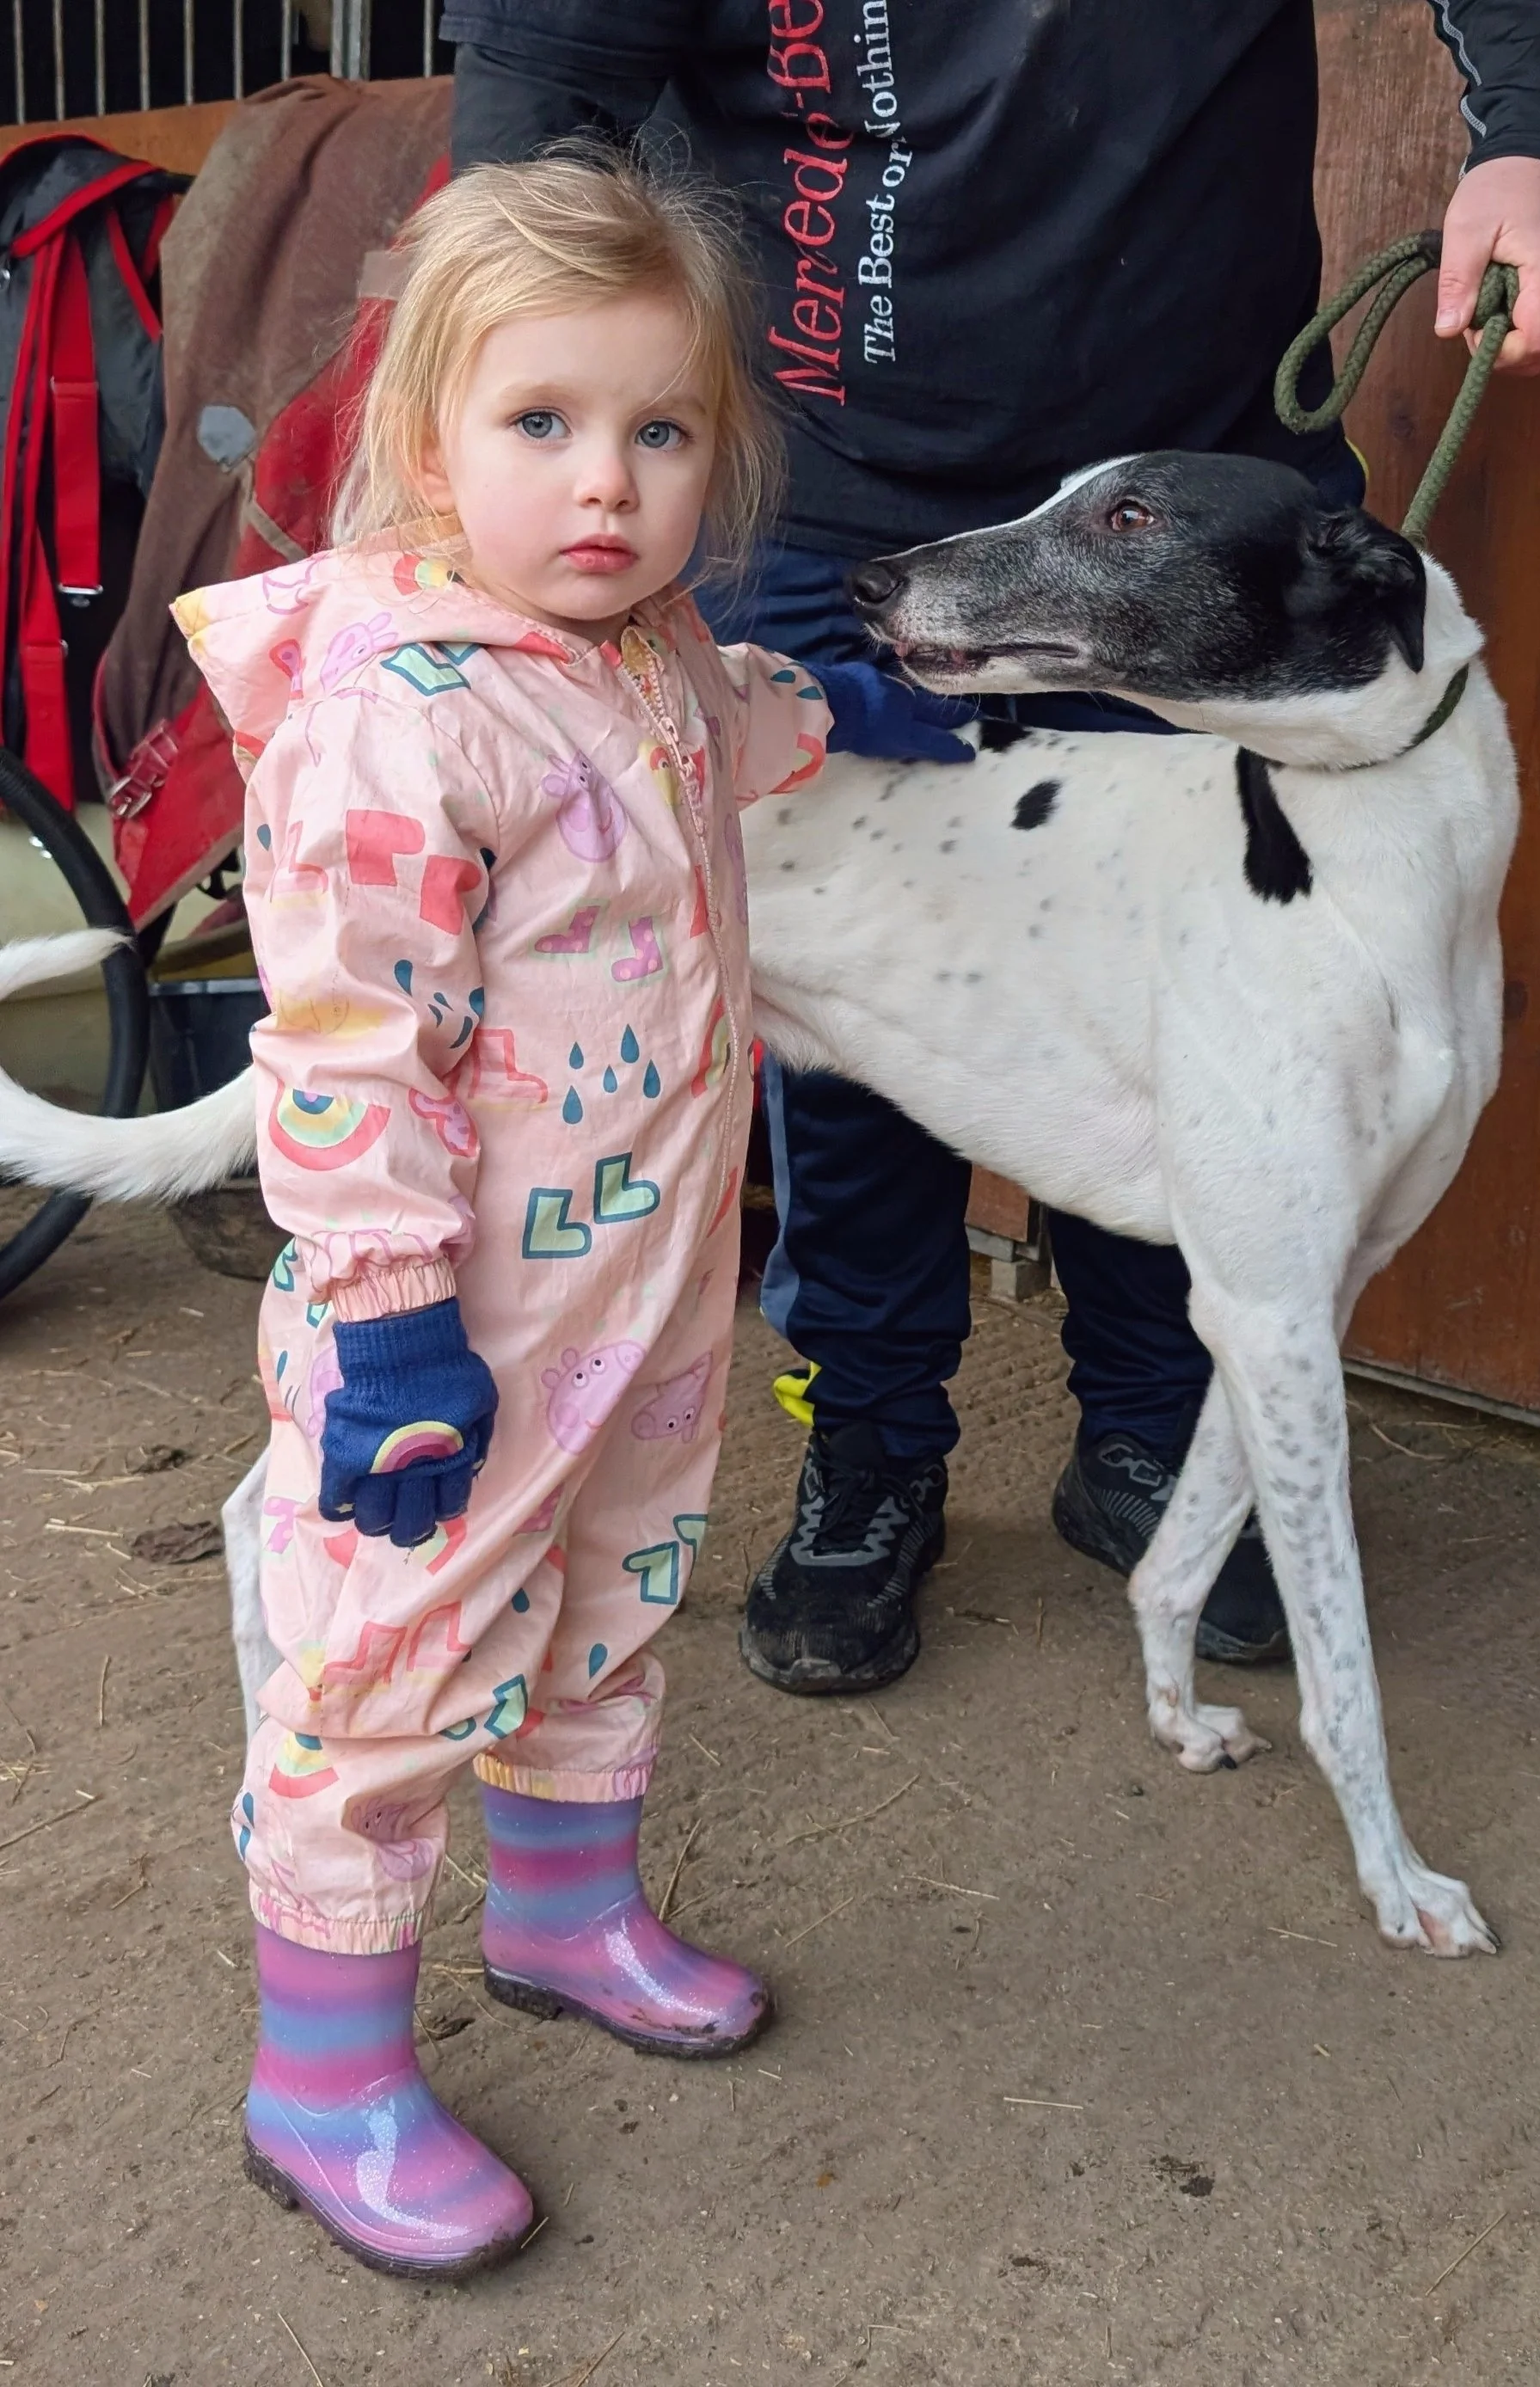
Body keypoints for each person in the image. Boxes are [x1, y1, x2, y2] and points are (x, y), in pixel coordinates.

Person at [445, 1, 1540, 1695]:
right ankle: (870, 1445)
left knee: (1219, 982)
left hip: (1183, 488)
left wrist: (1531, 136)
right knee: (844, 993)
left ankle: (1145, 1433)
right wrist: (509, 403)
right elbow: (542, 92)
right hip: (820, 465)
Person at [179, 155, 861, 2278]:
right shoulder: (399, 716)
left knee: (614, 1588)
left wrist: (849, 713)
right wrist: (384, 1315)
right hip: (447, 1329)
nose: (608, 485)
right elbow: (351, 1046)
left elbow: (718, 732)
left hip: (644, 1298)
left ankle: (566, 1913)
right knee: (384, 1672)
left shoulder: (646, 650)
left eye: (661, 434)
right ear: (425, 441)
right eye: (543, 425)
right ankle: (328, 2071)